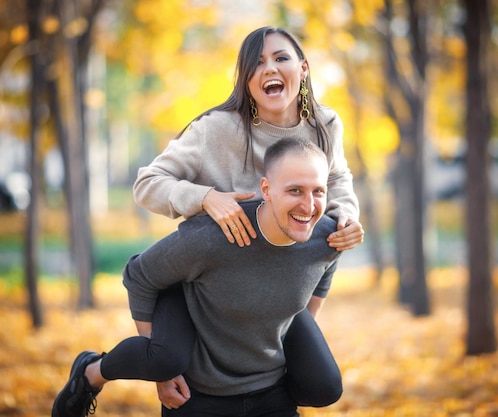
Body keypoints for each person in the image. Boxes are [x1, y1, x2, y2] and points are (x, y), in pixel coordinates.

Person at [131, 26, 363, 407]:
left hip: (276, 279)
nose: (269, 68)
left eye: (281, 58)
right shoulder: (217, 130)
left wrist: (348, 216)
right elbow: (147, 183)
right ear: (246, 80)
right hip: (209, 276)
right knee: (175, 366)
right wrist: (205, 198)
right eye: (256, 63)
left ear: (303, 69)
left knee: (323, 386)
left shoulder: (325, 124)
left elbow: (337, 177)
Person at [53, 137, 343, 417]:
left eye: (318, 191)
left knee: (325, 387)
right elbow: (138, 275)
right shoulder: (214, 237)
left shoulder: (327, 238)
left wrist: (296, 327)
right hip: (195, 377)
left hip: (271, 393)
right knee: (164, 359)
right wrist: (158, 365)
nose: (309, 205)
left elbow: (325, 268)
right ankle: (90, 371)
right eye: (295, 191)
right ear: (265, 190)